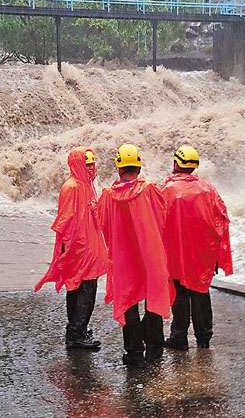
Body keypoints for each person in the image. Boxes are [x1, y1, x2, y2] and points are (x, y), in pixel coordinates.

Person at [98, 144, 173, 366]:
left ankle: (134, 353)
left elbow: (103, 225)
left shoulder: (108, 195)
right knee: (154, 297)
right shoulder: (151, 189)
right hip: (150, 254)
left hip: (123, 259)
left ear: (118, 167)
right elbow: (163, 219)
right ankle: (155, 348)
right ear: (138, 165)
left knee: (128, 302)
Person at [35, 147, 110, 349]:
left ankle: (77, 329)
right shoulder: (73, 187)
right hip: (80, 250)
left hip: (87, 248)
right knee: (84, 289)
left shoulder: (85, 186)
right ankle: (76, 333)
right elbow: (64, 222)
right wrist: (68, 250)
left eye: (91, 165)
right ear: (76, 164)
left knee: (80, 288)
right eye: (86, 165)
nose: (90, 168)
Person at [160, 145, 232, 350]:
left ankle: (179, 337)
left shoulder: (168, 190)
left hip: (176, 253)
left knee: (180, 294)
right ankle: (203, 338)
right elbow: (222, 218)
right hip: (202, 253)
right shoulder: (208, 189)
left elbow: (158, 222)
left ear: (176, 164)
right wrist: (217, 251)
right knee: (201, 292)